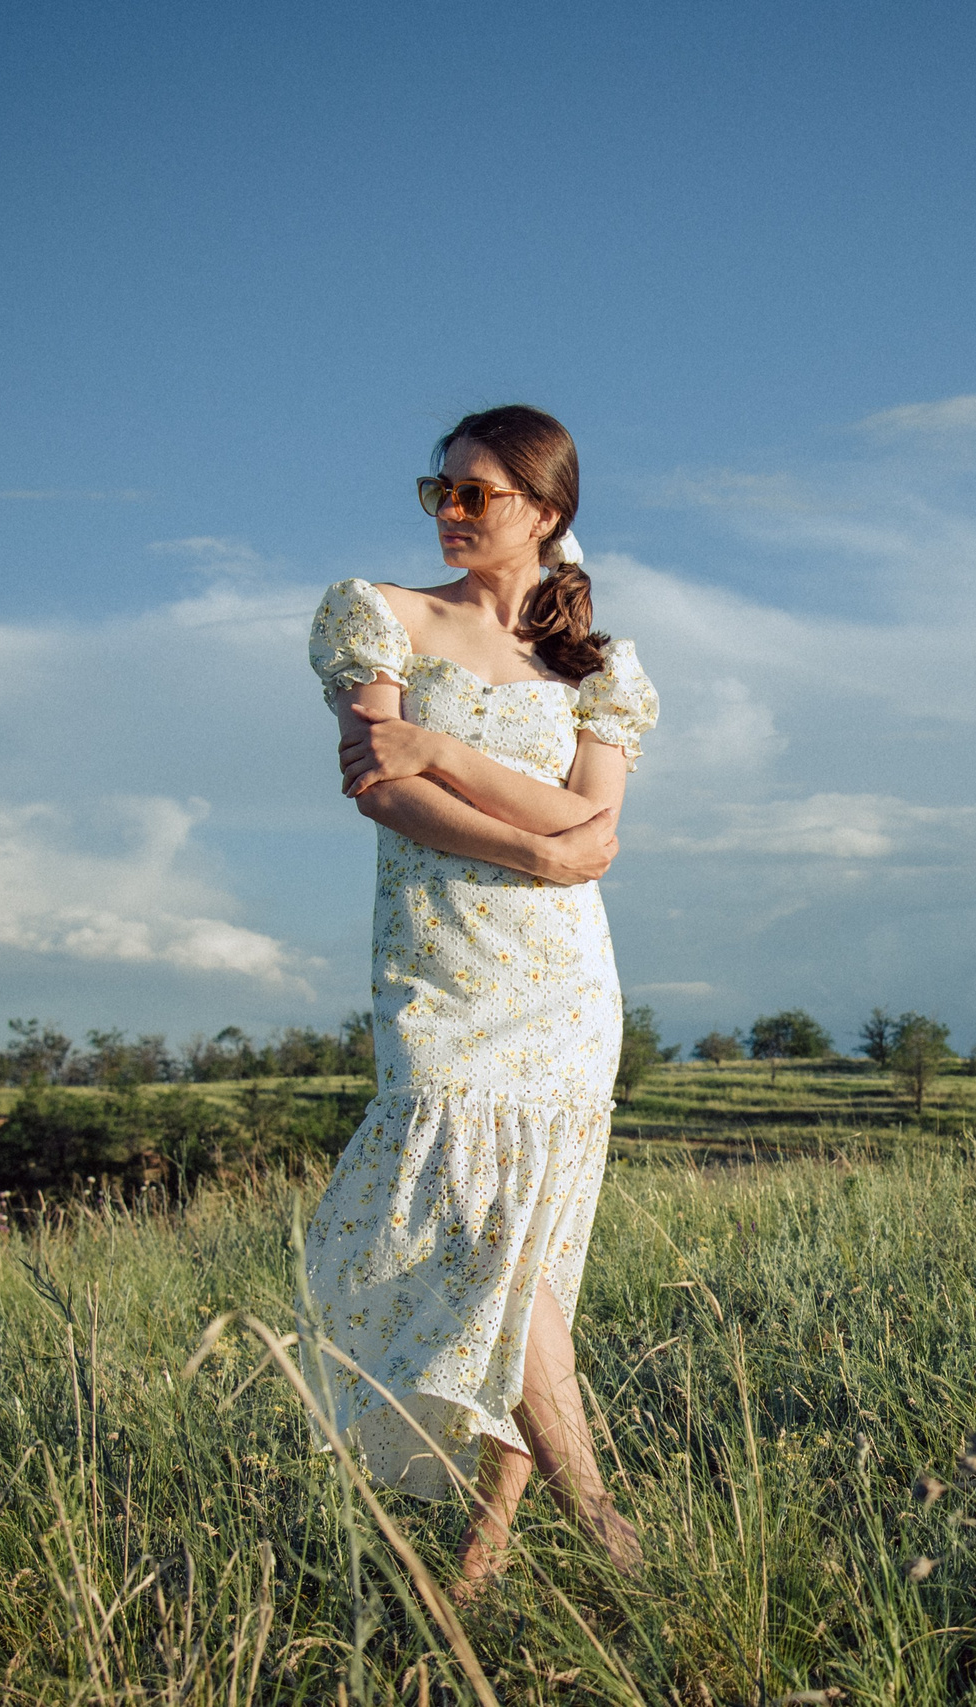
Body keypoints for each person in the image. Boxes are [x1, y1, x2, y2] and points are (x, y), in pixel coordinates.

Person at [302, 404, 657, 1600]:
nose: (449, 513)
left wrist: (443, 754)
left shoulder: (600, 670)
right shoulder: (378, 614)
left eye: (477, 495)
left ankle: (480, 1564)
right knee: (483, 1238)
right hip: (442, 974)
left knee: (534, 1265)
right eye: (438, 491)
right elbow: (375, 787)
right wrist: (534, 836)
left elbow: (587, 829)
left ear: (546, 513)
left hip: (561, 982)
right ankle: (612, 1531)